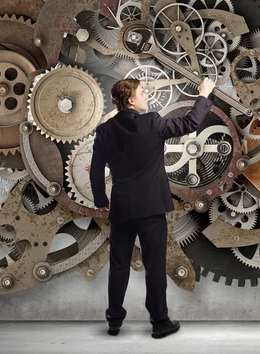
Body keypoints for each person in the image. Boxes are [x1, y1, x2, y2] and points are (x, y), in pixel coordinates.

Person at [89, 77, 216, 338]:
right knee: (155, 266)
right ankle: (159, 323)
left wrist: (101, 200)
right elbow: (190, 123)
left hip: (121, 208)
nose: (146, 95)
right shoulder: (152, 122)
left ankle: (114, 321)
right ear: (132, 100)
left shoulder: (105, 130)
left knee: (119, 265)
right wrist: (203, 95)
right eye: (142, 92)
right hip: (151, 208)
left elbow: (96, 171)